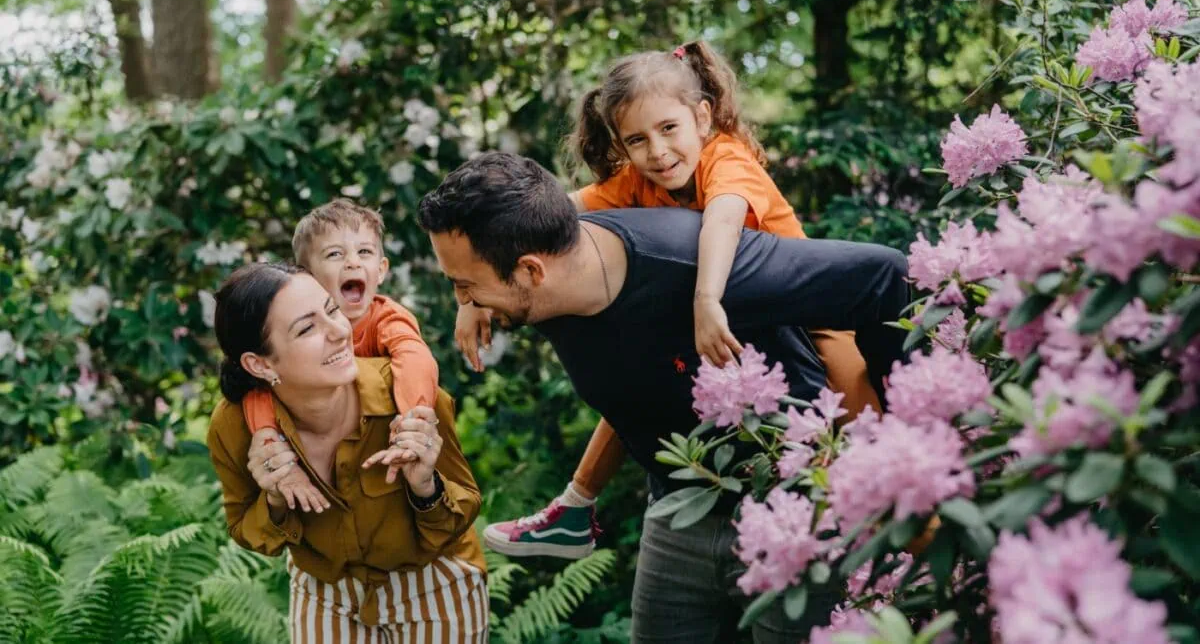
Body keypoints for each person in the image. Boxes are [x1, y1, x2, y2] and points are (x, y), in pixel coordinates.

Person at [418, 152, 909, 641]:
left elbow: (882, 276)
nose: (464, 301)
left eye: (464, 286)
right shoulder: (539, 275)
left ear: (531, 272)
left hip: (791, 514)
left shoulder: (692, 262)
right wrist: (475, 296)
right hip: (677, 512)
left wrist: (908, 433)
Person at [459, 41, 880, 560]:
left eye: (668, 129)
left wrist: (707, 299)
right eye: (637, 140)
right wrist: (475, 292)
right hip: (731, 325)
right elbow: (545, 222)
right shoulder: (637, 180)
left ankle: (893, 515)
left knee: (857, 419)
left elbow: (723, 217)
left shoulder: (727, 157)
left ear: (702, 117)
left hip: (809, 316)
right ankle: (575, 505)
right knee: (635, 376)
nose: (657, 151)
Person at [207, 263, 487, 643]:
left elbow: (461, 513)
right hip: (325, 591)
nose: (340, 332)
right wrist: (274, 497)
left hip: (433, 578)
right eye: (307, 328)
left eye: (332, 310)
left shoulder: (409, 398)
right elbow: (248, 530)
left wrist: (426, 486)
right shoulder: (234, 427)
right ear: (260, 364)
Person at [239, 199, 441, 513]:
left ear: (382, 270)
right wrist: (267, 438)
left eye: (365, 252)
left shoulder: (387, 319)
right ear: (305, 276)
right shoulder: (287, 337)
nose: (352, 263)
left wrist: (413, 418)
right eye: (335, 254)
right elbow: (259, 386)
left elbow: (415, 358)